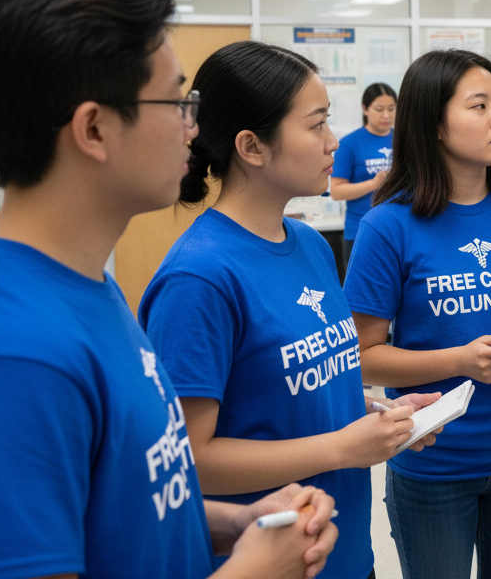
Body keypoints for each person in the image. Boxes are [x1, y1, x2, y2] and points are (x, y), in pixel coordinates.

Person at [0, 0, 337, 579]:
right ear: (94, 128)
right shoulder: (11, 354)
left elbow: (129, 505)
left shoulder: (86, 285)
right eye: (176, 102)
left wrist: (233, 525)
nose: (193, 130)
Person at [140, 42, 442, 579]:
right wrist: (343, 448)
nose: (332, 144)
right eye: (317, 125)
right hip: (269, 562)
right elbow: (192, 461)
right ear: (252, 146)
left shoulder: (309, 244)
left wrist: (379, 418)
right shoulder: (199, 278)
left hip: (345, 551)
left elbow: (302, 387)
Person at [345, 49, 491, 579]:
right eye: (478, 106)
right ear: (434, 124)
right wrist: (459, 359)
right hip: (434, 458)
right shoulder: (389, 226)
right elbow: (363, 359)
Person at [330, 82, 397, 266]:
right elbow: (336, 191)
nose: (386, 115)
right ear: (365, 109)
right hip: (359, 232)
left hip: (397, 230)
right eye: (379, 109)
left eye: (391, 109)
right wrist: (373, 184)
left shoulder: (403, 140)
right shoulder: (350, 143)